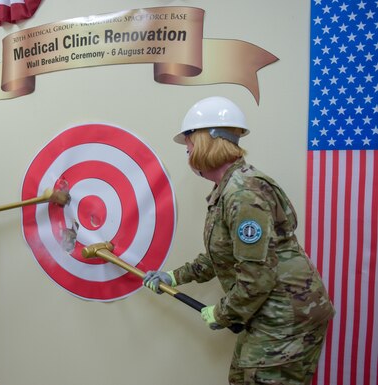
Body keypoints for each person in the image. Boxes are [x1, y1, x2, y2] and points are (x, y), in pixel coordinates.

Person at [143, 96, 335, 385]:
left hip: (287, 317)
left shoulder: (243, 193)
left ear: (208, 143)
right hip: (269, 311)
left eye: (189, 146)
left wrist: (222, 314)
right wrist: (173, 276)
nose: (188, 154)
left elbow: (257, 276)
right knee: (241, 378)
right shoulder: (230, 188)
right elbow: (223, 255)